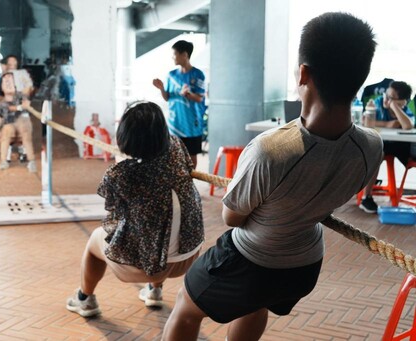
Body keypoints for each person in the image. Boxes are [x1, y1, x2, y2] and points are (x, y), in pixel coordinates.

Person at [162, 12, 383, 341]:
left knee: (185, 307)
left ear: (303, 73)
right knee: (256, 305)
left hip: (252, 261)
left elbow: (233, 217)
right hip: (304, 269)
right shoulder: (371, 147)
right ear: (360, 79)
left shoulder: (271, 151)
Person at [65, 101, 204, 317]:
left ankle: (85, 299)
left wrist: (124, 161)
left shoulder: (119, 175)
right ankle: (155, 290)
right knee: (160, 221)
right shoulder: (176, 146)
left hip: (145, 267)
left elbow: (115, 216)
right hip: (189, 256)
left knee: (96, 240)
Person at [360, 81, 414, 213]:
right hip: (381, 143)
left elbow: (408, 125)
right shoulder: (377, 103)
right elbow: (364, 121)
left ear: (403, 102)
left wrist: (396, 108)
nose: (386, 99)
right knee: (377, 153)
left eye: (391, 98)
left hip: (401, 146)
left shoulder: (405, 109)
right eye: (386, 95)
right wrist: (388, 124)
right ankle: (366, 197)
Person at [153, 40, 206, 169]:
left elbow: (199, 98)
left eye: (175, 54)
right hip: (174, 123)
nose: (173, 57)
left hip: (191, 124)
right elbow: (167, 98)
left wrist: (187, 94)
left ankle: (188, 183)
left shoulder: (198, 74)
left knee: (191, 156)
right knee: (172, 154)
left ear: (184, 55)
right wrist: (161, 89)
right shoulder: (171, 75)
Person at [0, 72, 37, 172]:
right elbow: (9, 108)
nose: (8, 83)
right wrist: (20, 107)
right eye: (5, 82)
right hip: (9, 129)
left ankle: (31, 161)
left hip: (23, 127)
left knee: (24, 125)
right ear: (1, 87)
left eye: (10, 81)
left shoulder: (21, 95)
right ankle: (3, 160)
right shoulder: (1, 103)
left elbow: (26, 102)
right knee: (7, 130)